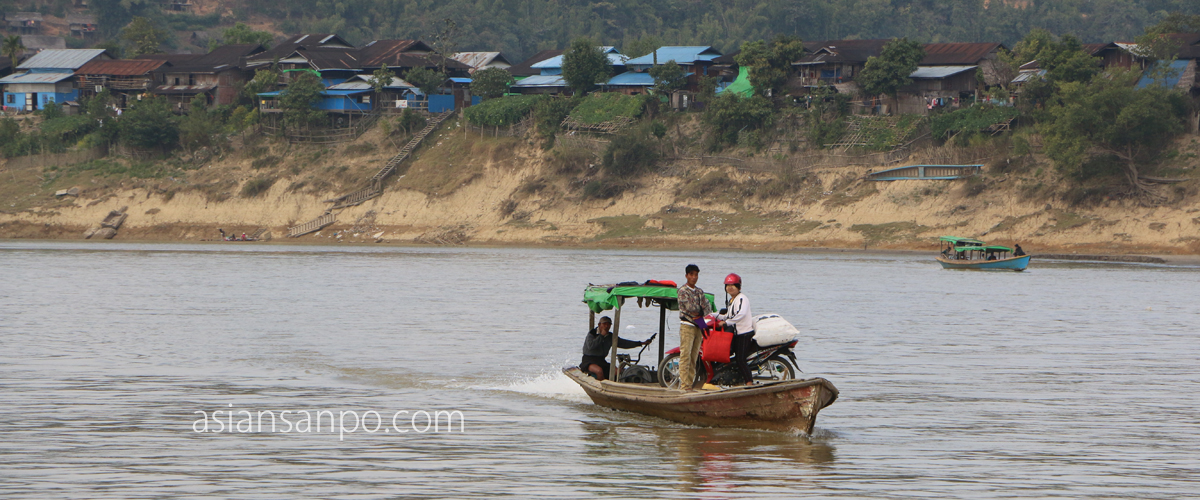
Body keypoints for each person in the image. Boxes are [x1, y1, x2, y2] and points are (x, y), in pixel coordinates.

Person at [580, 316, 651, 381]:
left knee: (618, 371)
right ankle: (601, 387)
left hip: (601, 361)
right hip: (589, 360)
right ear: (599, 325)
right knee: (599, 371)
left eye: (608, 324)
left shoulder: (610, 336)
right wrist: (601, 336)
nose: (606, 326)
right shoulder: (592, 334)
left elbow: (624, 343)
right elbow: (591, 346)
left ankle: (614, 385)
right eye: (604, 324)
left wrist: (640, 343)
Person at [716, 273, 757, 386]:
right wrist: (713, 316)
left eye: (733, 285)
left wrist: (726, 322)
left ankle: (749, 382)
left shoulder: (742, 298)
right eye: (727, 285)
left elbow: (741, 314)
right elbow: (728, 315)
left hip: (744, 334)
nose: (730, 287)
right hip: (736, 334)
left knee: (740, 359)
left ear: (738, 287)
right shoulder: (733, 300)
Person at [677, 264, 712, 391]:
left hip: (699, 325)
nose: (694, 277)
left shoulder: (699, 291)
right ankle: (684, 385)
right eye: (691, 274)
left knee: (694, 356)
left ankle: (689, 384)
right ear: (686, 275)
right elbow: (690, 308)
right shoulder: (682, 291)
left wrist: (699, 311)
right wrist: (699, 310)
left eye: (696, 274)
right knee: (685, 356)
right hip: (687, 325)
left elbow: (707, 308)